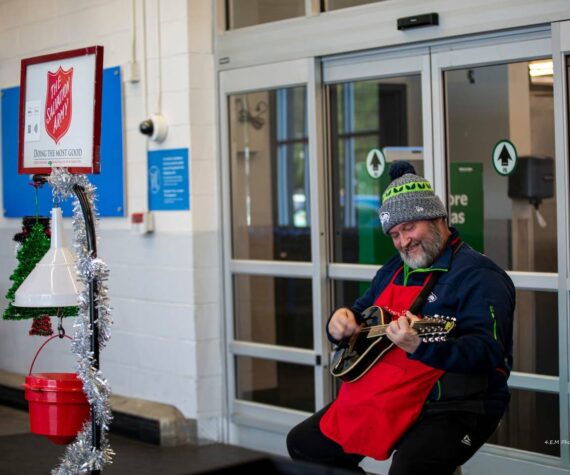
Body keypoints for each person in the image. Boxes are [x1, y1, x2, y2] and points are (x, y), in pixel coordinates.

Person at [287, 161, 515, 475]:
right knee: (304, 444)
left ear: (437, 218)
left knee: (409, 468)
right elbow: (361, 312)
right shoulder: (394, 269)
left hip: (458, 404)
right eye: (394, 234)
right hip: (388, 393)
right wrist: (339, 322)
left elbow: (488, 352)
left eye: (409, 228)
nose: (403, 242)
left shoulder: (481, 276)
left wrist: (421, 346)